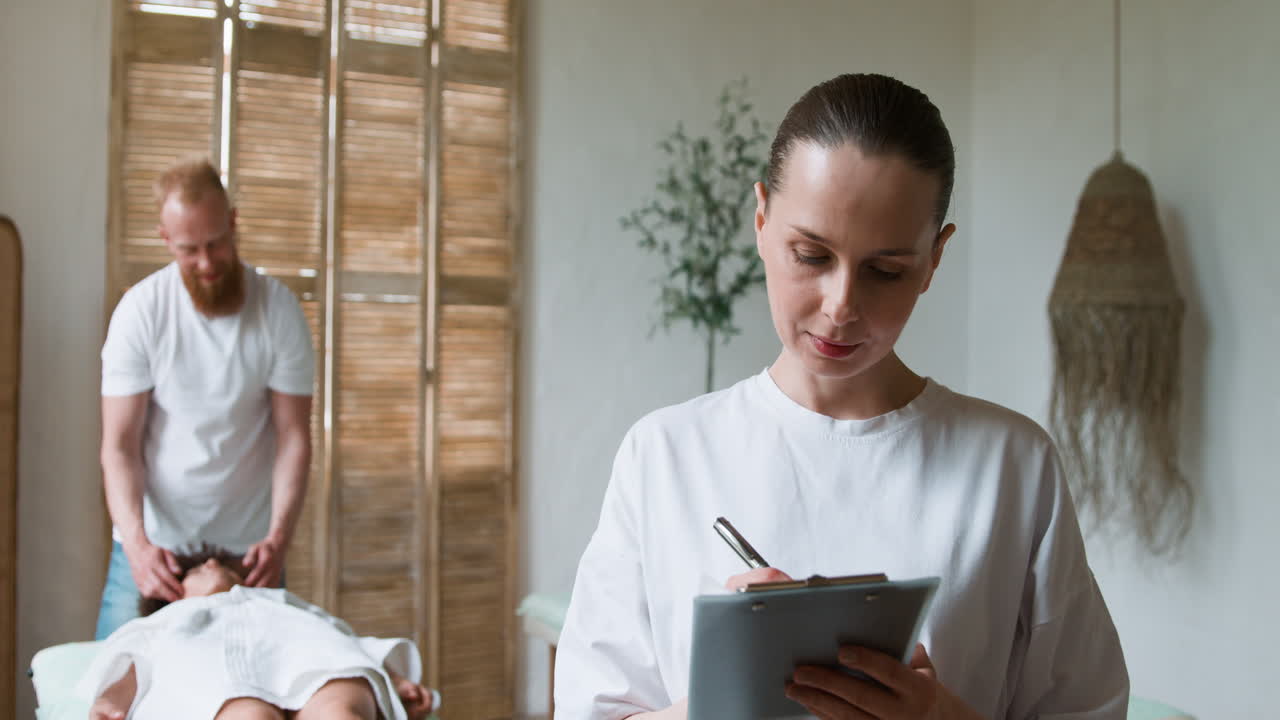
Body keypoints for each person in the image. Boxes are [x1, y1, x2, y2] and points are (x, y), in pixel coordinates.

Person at [553, 73, 1129, 719]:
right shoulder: (664, 454)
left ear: (935, 259)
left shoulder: (1010, 464)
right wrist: (728, 697)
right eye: (810, 254)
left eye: (887, 271)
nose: (842, 307)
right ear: (762, 221)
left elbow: (1087, 707)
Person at [95, 158, 315, 640]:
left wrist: (279, 537)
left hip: (252, 552)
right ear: (165, 239)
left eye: (216, 243)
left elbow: (294, 437)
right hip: (153, 549)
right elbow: (119, 445)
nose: (207, 263)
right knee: (109, 692)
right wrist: (136, 546)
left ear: (233, 222)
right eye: (189, 250)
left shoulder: (278, 311)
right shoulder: (141, 312)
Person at [79, 546, 440, 720]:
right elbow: (133, 656)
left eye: (220, 564)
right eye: (199, 569)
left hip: (314, 668)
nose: (210, 564)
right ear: (172, 594)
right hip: (224, 681)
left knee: (340, 711)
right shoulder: (169, 619)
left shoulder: (280, 600)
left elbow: (344, 638)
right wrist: (113, 699)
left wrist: (395, 680)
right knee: (248, 717)